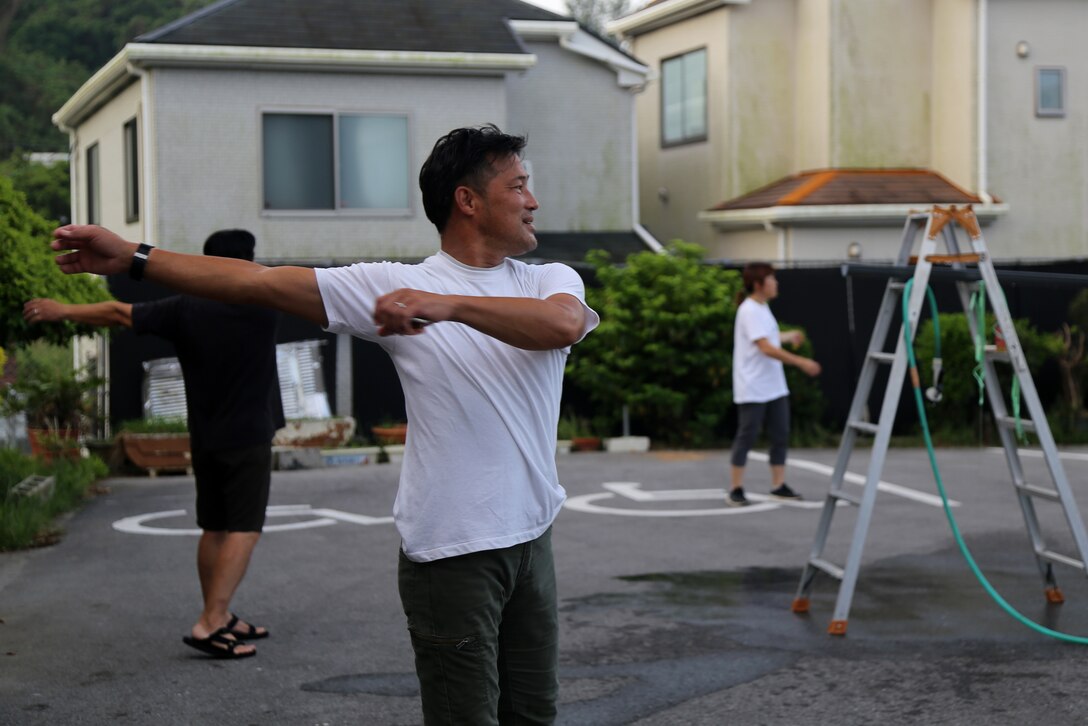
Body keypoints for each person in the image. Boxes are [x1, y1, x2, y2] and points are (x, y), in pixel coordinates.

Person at [46, 124, 598, 725]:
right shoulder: (392, 285)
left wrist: (447, 307)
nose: (532, 200)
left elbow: (562, 326)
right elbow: (255, 281)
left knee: (536, 717)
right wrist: (133, 257)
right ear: (468, 200)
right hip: (452, 552)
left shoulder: (548, 279)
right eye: (518, 186)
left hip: (531, 542)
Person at [25, 229, 283, 660]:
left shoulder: (186, 309)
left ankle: (218, 613)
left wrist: (60, 309)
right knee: (245, 529)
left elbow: (116, 312)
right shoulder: (264, 305)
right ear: (249, 260)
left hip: (205, 437)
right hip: (249, 435)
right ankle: (211, 622)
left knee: (214, 527)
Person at [728, 262, 821, 507]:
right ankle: (735, 488)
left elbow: (769, 338)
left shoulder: (763, 307)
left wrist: (787, 336)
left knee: (780, 434)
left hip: (774, 385)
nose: (776, 283)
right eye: (772, 279)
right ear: (759, 284)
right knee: (747, 436)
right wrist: (801, 362)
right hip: (753, 385)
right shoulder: (748, 310)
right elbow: (766, 348)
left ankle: (778, 485)